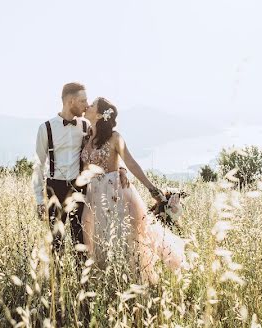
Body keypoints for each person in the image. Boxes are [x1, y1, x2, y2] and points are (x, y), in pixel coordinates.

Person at [79, 97, 188, 285]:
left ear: (99, 114)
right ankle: (103, 282)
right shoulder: (86, 137)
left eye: (92, 105)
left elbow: (130, 162)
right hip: (93, 195)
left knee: (124, 239)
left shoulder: (114, 137)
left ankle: (133, 283)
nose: (87, 106)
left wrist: (151, 187)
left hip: (114, 193)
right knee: (95, 238)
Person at [31, 83, 130, 259]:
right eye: (83, 100)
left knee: (81, 239)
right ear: (71, 101)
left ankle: (81, 281)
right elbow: (38, 165)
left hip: (80, 189)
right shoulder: (45, 128)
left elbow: (105, 145)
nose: (86, 105)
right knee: (56, 242)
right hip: (54, 188)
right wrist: (39, 200)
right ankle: (59, 281)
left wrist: (121, 167)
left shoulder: (86, 126)